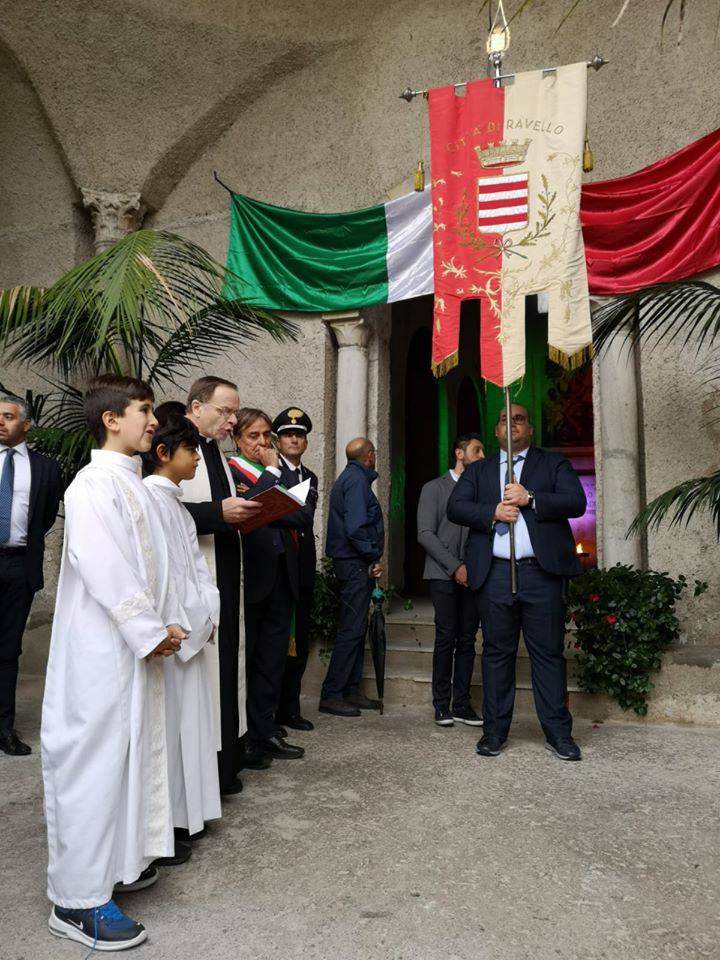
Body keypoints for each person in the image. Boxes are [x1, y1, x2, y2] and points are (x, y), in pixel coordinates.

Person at [42, 374, 186, 951]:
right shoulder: (90, 487)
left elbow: (153, 565)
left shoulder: (133, 484)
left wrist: (169, 620)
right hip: (100, 650)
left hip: (133, 645)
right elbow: (105, 567)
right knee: (92, 764)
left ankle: (116, 864)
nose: (153, 422)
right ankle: (76, 901)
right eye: (145, 411)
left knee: (127, 756)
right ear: (111, 419)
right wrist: (149, 630)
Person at [447, 403, 587, 761]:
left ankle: (559, 735)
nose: (513, 425)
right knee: (496, 654)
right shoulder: (478, 471)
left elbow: (576, 502)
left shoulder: (551, 463)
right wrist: (491, 511)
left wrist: (532, 499)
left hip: (541, 574)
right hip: (494, 574)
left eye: (520, 419)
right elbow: (456, 508)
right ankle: (494, 733)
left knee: (548, 655)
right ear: (497, 431)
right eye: (506, 420)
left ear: (531, 428)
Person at [142, 407, 222, 845]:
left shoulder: (173, 501)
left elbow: (196, 570)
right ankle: (170, 822)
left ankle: (188, 814)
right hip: (173, 636)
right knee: (170, 733)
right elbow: (164, 578)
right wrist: (186, 622)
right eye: (190, 449)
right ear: (163, 452)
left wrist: (209, 611)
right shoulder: (150, 499)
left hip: (193, 626)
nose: (196, 458)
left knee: (192, 725)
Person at [180, 377, 262, 795]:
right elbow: (164, 509)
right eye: (225, 411)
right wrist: (218, 512)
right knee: (210, 675)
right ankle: (208, 773)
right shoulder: (178, 448)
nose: (233, 420)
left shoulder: (215, 450)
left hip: (228, 574)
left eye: (235, 411)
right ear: (196, 407)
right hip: (200, 581)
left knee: (229, 669)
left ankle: (227, 765)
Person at [229, 409, 305, 760]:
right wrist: (271, 488)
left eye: (265, 436)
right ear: (236, 440)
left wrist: (270, 506)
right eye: (252, 437)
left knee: (272, 661)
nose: (261, 443)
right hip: (253, 576)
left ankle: (266, 731)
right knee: (250, 658)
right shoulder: (233, 472)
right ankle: (245, 738)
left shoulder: (278, 474)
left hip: (282, 574)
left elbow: (302, 512)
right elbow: (251, 508)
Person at [0, 394, 62, 756]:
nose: (1, 422)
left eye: (8, 416)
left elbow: (46, 517)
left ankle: (4, 728)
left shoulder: (46, 469)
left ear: (26, 424)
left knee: (8, 649)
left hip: (19, 564)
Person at [417, 433, 485, 728]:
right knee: (446, 638)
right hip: (441, 575)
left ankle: (462, 704)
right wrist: (455, 566)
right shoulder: (434, 488)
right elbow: (425, 534)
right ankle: (441, 704)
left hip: (473, 576)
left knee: (468, 640)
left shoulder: (481, 492)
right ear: (459, 453)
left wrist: (472, 567)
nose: (482, 456)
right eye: (477, 450)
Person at [320, 437, 384, 717]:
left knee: (357, 628)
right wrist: (372, 556)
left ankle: (351, 690)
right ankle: (332, 694)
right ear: (369, 456)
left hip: (353, 563)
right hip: (354, 564)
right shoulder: (357, 482)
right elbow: (356, 527)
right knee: (351, 629)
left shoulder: (351, 477)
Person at [272, 406, 319, 732]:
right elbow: (289, 515)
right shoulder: (275, 473)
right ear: (278, 440)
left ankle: (291, 708)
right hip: (279, 569)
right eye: (288, 434)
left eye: (299, 435)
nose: (294, 439)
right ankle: (275, 711)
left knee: (299, 643)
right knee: (277, 646)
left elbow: (304, 517)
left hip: (303, 569)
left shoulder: (309, 477)